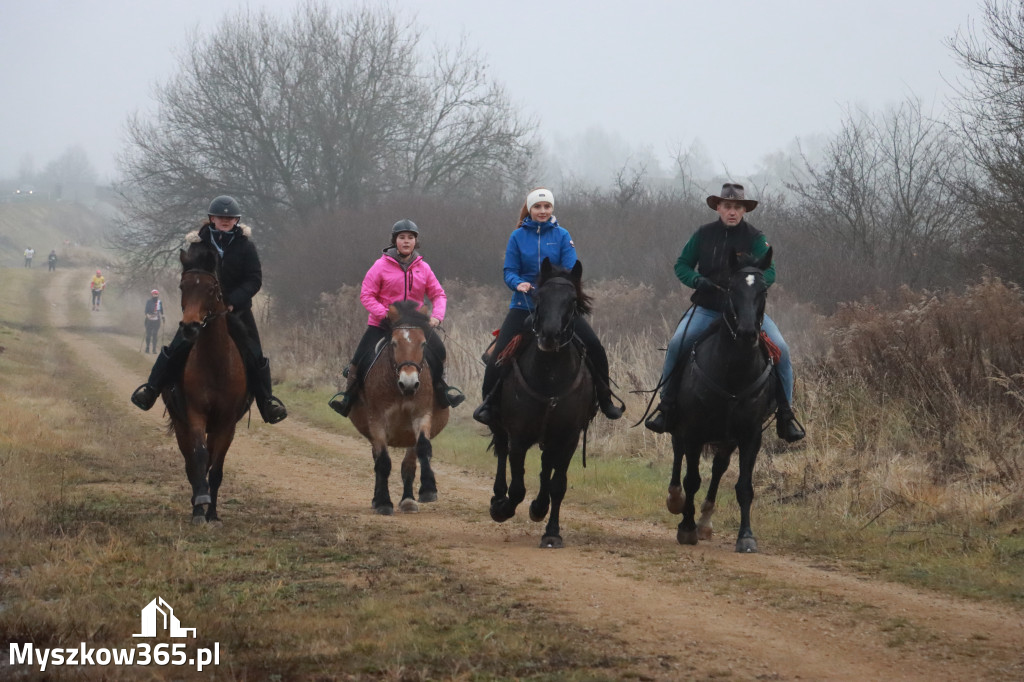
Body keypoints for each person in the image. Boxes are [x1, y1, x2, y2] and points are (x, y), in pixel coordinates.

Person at [644, 183, 805, 442]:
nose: (732, 212)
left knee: (782, 351)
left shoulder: (756, 238)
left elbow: (770, 271)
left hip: (746, 313)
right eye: (727, 206)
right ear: (718, 207)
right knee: (676, 344)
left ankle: (785, 416)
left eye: (737, 207)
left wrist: (752, 286)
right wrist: (698, 281)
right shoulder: (703, 234)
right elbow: (682, 265)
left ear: (744, 210)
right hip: (707, 307)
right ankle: (666, 406)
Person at [472, 188, 623, 426]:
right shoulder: (517, 237)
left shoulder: (563, 235)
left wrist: (556, 289)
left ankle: (605, 400)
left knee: (595, 346)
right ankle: (489, 405)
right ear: (530, 210)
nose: (542, 211)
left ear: (552, 209)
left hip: (558, 307)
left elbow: (571, 270)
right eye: (537, 207)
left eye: (547, 207)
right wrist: (518, 283)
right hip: (524, 306)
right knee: (497, 356)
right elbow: (509, 270)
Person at [130, 196, 287, 424]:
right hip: (201, 311)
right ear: (212, 219)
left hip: (237, 311)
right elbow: (191, 277)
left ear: (236, 220)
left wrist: (233, 300)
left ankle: (267, 402)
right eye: (221, 217)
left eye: (230, 217)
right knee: (177, 347)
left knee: (255, 353)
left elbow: (254, 280)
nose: (225, 220)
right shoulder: (198, 244)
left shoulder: (246, 246)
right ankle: (151, 389)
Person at [329, 219, 465, 416]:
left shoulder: (423, 267)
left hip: (416, 325)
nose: (406, 241)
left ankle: (442, 390)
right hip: (382, 324)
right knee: (359, 358)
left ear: (415, 241)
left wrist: (437, 316)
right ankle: (347, 398)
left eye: (410, 238)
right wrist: (383, 313)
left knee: (439, 351)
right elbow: (366, 295)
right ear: (395, 241)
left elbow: (438, 294)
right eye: (402, 237)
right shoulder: (380, 266)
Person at [143, 289, 165, 354]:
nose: (155, 295)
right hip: (149, 321)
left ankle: (154, 349)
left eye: (157, 294)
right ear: (152, 295)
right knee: (148, 334)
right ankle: (147, 347)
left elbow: (161, 311)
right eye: (154, 294)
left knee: (155, 334)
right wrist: (147, 316)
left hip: (157, 321)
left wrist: (163, 316)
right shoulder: (149, 301)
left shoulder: (159, 302)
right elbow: (146, 311)